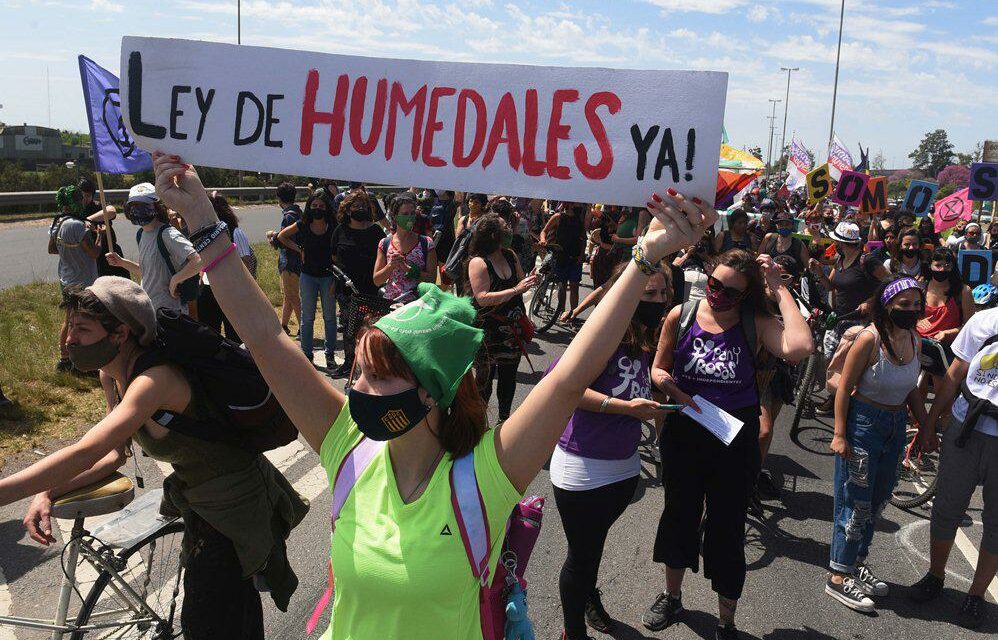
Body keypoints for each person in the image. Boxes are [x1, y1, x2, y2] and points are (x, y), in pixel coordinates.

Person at [144, 151, 716, 640]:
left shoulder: (484, 478)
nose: (355, 389)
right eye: (359, 373)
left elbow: (568, 379)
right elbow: (266, 338)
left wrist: (645, 259)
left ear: (434, 394)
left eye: (377, 376)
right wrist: (200, 217)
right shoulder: (348, 445)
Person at [0, 277, 309, 639]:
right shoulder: (113, 376)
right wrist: (47, 493)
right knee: (221, 617)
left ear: (121, 333)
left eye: (82, 329)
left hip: (235, 506)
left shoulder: (154, 381)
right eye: (69, 327)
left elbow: (86, 450)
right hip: (199, 503)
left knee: (214, 623)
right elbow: (113, 454)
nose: (69, 340)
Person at [644, 249, 813, 640]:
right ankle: (672, 597)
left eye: (731, 292)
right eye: (714, 284)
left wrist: (778, 287)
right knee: (679, 515)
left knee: (727, 527)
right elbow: (658, 366)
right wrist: (672, 388)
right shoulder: (682, 314)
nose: (718, 295)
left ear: (747, 295)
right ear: (707, 276)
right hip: (685, 434)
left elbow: (799, 346)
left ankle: (726, 620)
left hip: (733, 439)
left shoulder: (755, 321)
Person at [549, 263, 673, 640]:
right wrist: (626, 409)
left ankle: (588, 597)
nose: (658, 301)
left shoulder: (644, 337)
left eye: (663, 294)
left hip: (624, 467)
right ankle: (573, 632)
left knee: (591, 549)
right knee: (581, 556)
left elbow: (639, 384)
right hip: (582, 465)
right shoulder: (602, 334)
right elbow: (564, 385)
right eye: (648, 294)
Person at [825, 277, 928, 612]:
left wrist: (924, 425)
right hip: (864, 425)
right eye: (904, 304)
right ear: (887, 306)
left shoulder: (915, 339)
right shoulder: (868, 339)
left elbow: (912, 387)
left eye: (916, 304)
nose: (911, 311)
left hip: (895, 426)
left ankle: (856, 564)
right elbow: (845, 389)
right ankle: (838, 577)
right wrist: (840, 434)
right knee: (855, 503)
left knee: (878, 500)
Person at [908, 305, 998, 629]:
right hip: (965, 427)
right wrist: (929, 424)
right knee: (946, 507)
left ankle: (976, 594)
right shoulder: (985, 320)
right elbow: (954, 374)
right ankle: (935, 575)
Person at [466, 214, 538, 423]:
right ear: (493, 234)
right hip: (488, 333)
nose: (510, 229)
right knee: (484, 381)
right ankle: (478, 425)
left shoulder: (510, 255)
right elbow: (482, 298)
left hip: (512, 331)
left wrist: (531, 279)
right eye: (505, 226)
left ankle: (503, 421)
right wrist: (517, 289)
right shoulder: (478, 262)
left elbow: (521, 281)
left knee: (508, 379)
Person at [105, 183, 201, 315]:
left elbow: (198, 261)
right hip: (151, 309)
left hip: (170, 312)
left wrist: (175, 280)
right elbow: (147, 272)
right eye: (134, 206)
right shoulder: (141, 234)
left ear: (156, 207)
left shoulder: (167, 234)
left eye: (144, 206)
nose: (137, 210)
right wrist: (121, 262)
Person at [809, 221, 891, 362]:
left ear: (841, 243)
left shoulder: (867, 261)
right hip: (839, 319)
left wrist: (870, 302)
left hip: (860, 323)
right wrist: (819, 271)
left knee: (849, 363)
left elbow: (891, 283)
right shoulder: (840, 259)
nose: (833, 244)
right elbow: (830, 286)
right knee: (831, 359)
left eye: (835, 241)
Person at [276, 187, 338, 367]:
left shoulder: (333, 227)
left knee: (329, 317)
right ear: (309, 207)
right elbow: (282, 236)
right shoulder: (302, 225)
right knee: (307, 317)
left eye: (321, 205)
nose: (317, 208)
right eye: (314, 205)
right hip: (308, 276)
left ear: (327, 208)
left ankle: (330, 354)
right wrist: (298, 249)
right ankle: (307, 354)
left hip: (328, 276)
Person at [330, 189, 386, 378]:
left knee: (370, 329)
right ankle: (348, 363)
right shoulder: (340, 230)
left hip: (371, 290)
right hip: (347, 291)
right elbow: (334, 257)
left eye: (363, 206)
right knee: (348, 328)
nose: (360, 209)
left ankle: (370, 365)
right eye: (356, 206)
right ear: (347, 210)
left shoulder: (376, 231)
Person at [50, 185, 100, 372]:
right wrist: (99, 237)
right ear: (73, 202)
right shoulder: (79, 225)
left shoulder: (58, 222)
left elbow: (52, 249)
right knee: (82, 321)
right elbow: (94, 253)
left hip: (66, 279)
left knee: (69, 319)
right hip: (83, 281)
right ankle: (82, 361)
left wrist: (69, 250)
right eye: (79, 199)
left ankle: (64, 359)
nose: (82, 202)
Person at [198, 195, 256, 344]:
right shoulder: (205, 234)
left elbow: (246, 263)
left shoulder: (236, 233)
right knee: (209, 333)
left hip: (232, 291)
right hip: (209, 289)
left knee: (235, 336)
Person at [373, 191, 438, 303]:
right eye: (405, 214)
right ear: (395, 217)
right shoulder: (384, 243)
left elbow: (431, 279)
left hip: (417, 304)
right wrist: (390, 266)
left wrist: (408, 269)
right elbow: (377, 280)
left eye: (412, 213)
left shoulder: (426, 243)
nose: (410, 217)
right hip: (391, 305)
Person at [540, 201, 587, 324]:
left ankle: (572, 315)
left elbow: (583, 239)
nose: (579, 206)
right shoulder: (558, 217)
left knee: (574, 287)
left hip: (575, 258)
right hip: (560, 256)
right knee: (562, 286)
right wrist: (543, 240)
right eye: (575, 204)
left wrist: (581, 255)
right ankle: (561, 312)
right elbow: (544, 231)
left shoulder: (579, 219)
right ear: (569, 204)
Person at [270, 181, 303, 335]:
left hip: (289, 261)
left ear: (279, 198)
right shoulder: (298, 213)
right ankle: (283, 325)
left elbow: (282, 239)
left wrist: (273, 238)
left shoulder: (288, 216)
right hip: (296, 260)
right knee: (288, 296)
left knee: (293, 296)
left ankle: (303, 328)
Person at [759, 211, 809, 279]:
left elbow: (808, 267)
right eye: (781, 224)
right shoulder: (769, 238)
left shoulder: (799, 245)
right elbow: (759, 258)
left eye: (787, 224)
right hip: (769, 280)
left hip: (790, 284)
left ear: (792, 225)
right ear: (776, 225)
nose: (784, 227)